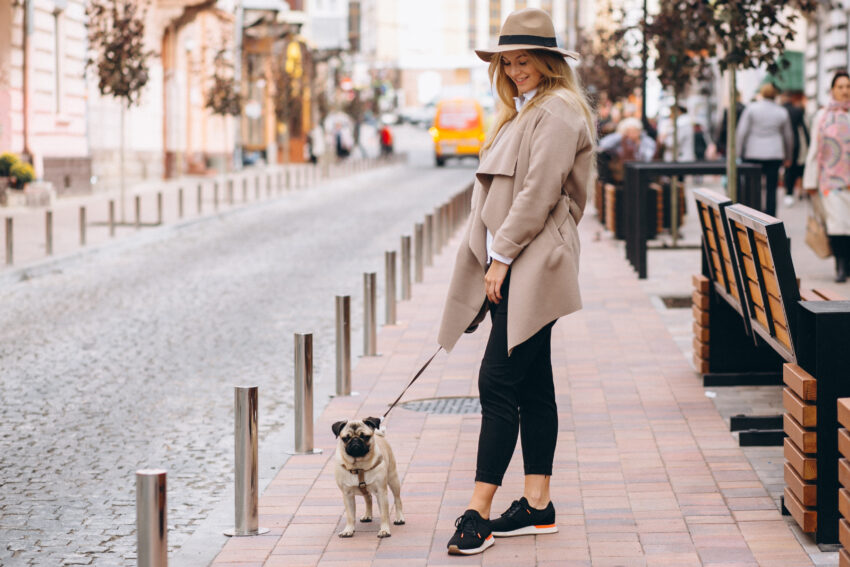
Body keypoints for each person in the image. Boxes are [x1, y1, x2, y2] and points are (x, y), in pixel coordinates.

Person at [436, 7, 595, 556]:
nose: (513, 70)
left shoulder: (557, 111)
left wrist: (499, 257)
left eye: (523, 61)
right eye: (506, 63)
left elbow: (538, 191)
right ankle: (537, 505)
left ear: (549, 62)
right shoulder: (525, 110)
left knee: (496, 381)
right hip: (522, 256)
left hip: (532, 260)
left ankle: (478, 512)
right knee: (530, 385)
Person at [803, 70, 850, 282]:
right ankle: (840, 265)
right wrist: (809, 180)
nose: (845, 91)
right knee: (837, 224)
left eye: (848, 87)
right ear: (833, 90)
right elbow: (814, 149)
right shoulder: (822, 117)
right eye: (840, 87)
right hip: (830, 180)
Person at [736, 83, 792, 217]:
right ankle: (771, 218)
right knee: (771, 189)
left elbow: (741, 132)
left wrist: (739, 152)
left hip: (753, 152)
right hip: (774, 153)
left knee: (753, 188)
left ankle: (753, 215)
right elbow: (788, 136)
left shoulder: (751, 109)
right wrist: (788, 156)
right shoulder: (781, 111)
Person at [597, 117, 656, 184]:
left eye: (635, 130)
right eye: (629, 131)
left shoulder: (646, 141)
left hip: (642, 175)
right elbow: (603, 144)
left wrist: (637, 145)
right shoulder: (621, 141)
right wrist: (620, 135)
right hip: (622, 176)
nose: (633, 133)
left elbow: (648, 158)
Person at [782, 92, 810, 207]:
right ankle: (794, 192)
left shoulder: (781, 111)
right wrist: (808, 144)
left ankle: (788, 193)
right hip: (796, 142)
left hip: (782, 142)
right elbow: (804, 128)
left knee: (788, 170)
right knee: (795, 167)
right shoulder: (797, 111)